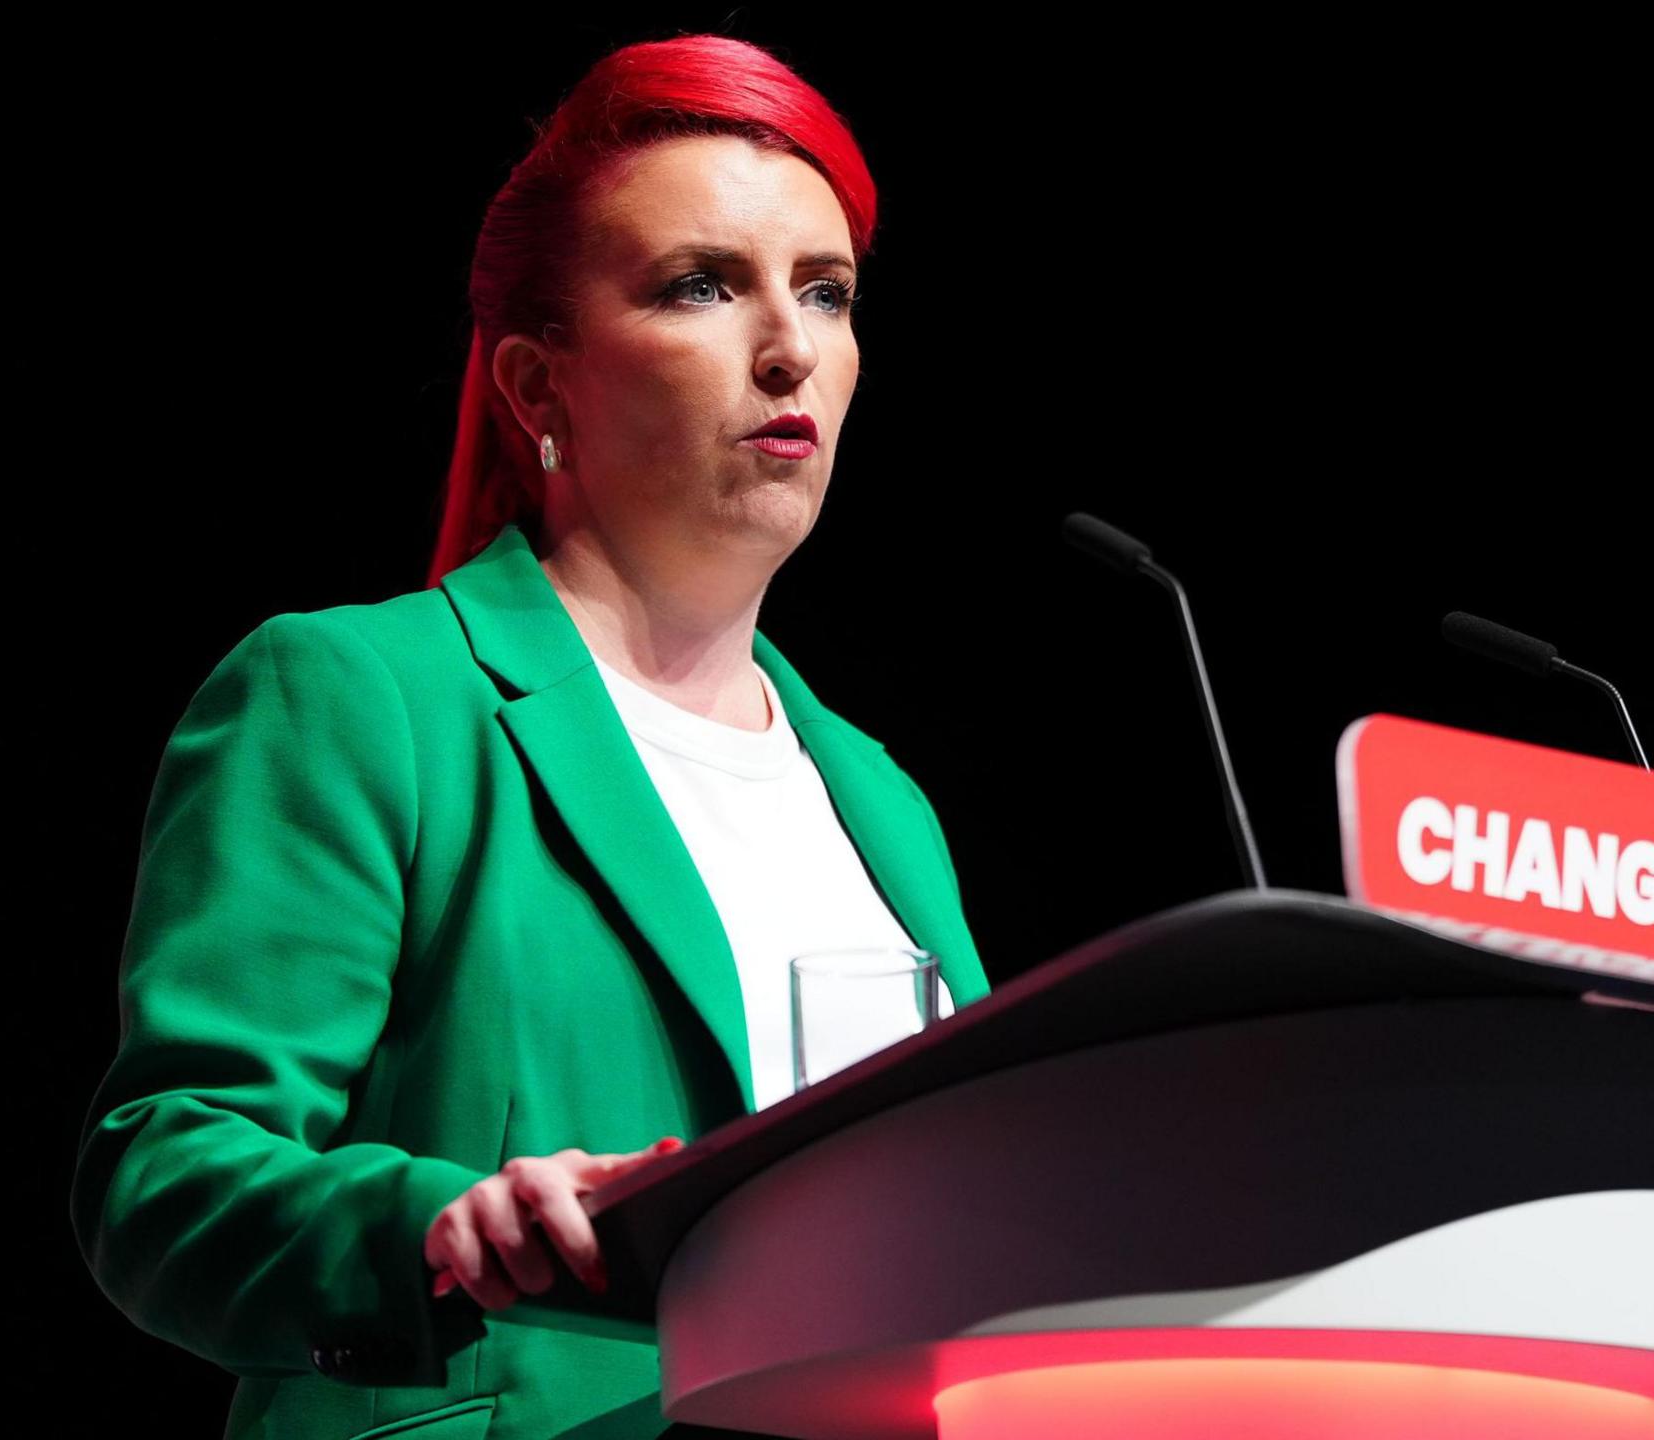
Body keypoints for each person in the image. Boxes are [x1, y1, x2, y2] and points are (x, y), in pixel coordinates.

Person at [69, 33, 989, 1440]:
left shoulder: (883, 804)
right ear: (536, 386)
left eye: (828, 292)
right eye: (702, 285)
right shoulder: (363, 697)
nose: (791, 346)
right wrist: (446, 1227)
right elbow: (164, 1179)